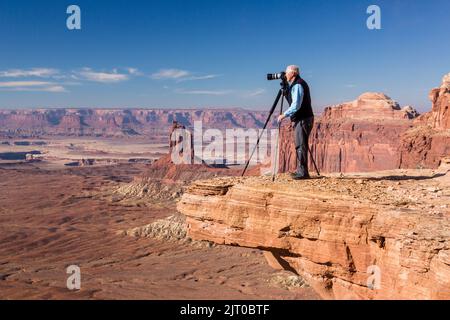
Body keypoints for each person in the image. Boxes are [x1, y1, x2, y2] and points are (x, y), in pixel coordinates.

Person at [277, 65, 314, 180]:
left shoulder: (298, 84)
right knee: (300, 144)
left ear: (293, 73)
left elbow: (296, 104)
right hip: (303, 118)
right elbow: (291, 99)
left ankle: (303, 173)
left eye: (287, 73)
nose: (285, 75)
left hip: (303, 119)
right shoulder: (296, 84)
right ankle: (300, 170)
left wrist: (284, 115)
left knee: (300, 145)